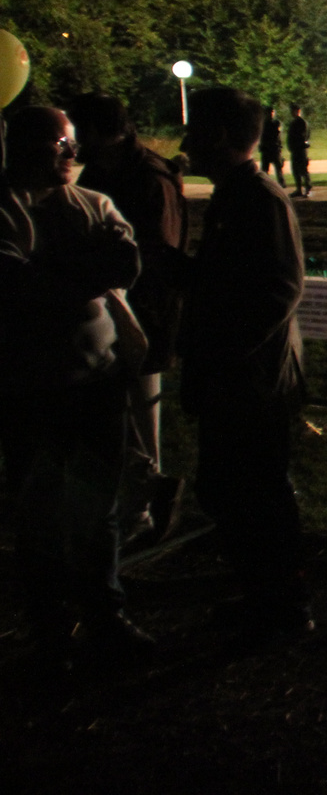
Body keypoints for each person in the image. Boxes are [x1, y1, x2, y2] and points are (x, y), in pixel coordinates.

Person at [0, 106, 151, 665]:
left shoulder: (94, 204)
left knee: (99, 506)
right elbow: (14, 287)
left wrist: (51, 271)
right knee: (38, 508)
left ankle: (105, 613)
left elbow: (125, 261)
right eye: (60, 144)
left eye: (73, 143)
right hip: (29, 387)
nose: (72, 154)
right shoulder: (8, 210)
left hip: (98, 382)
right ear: (26, 147)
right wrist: (79, 273)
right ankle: (50, 625)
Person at [178, 87, 311, 643]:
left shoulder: (257, 198)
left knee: (255, 493)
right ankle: (265, 600)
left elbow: (280, 287)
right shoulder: (236, 196)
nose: (183, 143)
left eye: (193, 131)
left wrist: (228, 353)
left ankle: (279, 610)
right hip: (239, 376)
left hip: (250, 382)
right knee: (233, 490)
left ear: (219, 137)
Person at [66, 93, 187, 544]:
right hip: (117, 309)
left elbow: (159, 252)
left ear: (94, 132)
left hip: (145, 312)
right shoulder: (107, 171)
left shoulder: (148, 178)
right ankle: (137, 496)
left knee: (141, 410)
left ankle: (142, 508)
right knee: (123, 414)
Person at [287, 105, 312, 198]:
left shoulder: (301, 122)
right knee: (296, 170)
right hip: (295, 149)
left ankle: (307, 188)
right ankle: (299, 189)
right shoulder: (294, 122)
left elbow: (304, 136)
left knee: (303, 170)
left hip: (300, 149)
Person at [259, 106, 285, 187]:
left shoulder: (275, 123)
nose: (271, 114)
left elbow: (276, 134)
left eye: (272, 112)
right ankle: (265, 184)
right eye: (270, 112)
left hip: (273, 147)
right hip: (269, 148)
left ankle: (281, 183)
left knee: (278, 168)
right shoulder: (265, 123)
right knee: (266, 169)